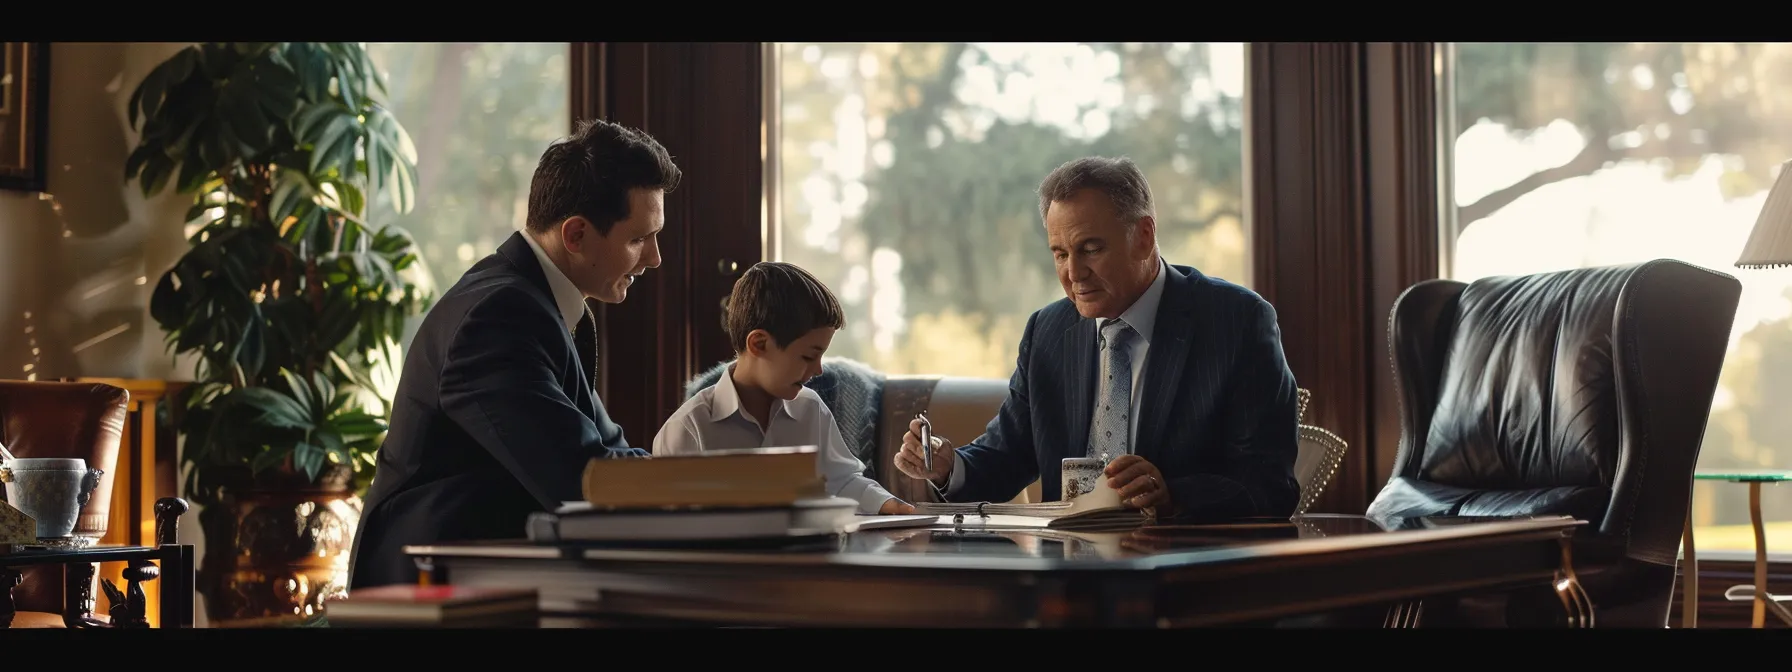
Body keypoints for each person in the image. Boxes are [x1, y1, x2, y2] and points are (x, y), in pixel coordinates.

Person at [348, 119, 679, 588]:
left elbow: (606, 450)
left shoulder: (535, 303)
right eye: (638, 239)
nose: (654, 258)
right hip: (429, 592)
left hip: (487, 574)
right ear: (577, 235)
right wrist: (712, 487)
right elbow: (584, 477)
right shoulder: (499, 316)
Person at [892, 156, 1301, 522]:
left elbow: (1271, 484)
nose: (1074, 273)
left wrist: (1173, 496)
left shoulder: (1236, 321)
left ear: (1144, 235)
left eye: (1090, 249)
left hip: (1182, 572)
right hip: (1065, 578)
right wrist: (947, 467)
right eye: (1060, 253)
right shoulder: (1047, 332)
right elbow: (1006, 456)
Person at [654, 262, 916, 515]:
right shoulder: (690, 427)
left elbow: (843, 481)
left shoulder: (811, 409)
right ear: (759, 344)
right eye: (808, 357)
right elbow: (674, 522)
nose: (818, 371)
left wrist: (887, 505)